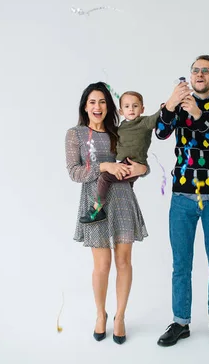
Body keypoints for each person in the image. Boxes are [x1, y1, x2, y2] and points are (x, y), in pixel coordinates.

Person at [155, 55, 209, 346]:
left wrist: (198, 115)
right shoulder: (178, 106)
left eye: (206, 70)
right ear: (190, 77)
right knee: (181, 264)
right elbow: (161, 132)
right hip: (182, 197)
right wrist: (169, 105)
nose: (200, 74)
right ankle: (181, 323)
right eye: (195, 70)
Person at [65, 82, 149, 344]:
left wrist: (142, 170)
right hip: (95, 203)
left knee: (124, 262)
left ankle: (120, 317)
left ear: (109, 106)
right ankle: (101, 314)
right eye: (92, 102)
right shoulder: (75, 134)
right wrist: (105, 165)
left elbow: (139, 161)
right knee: (102, 265)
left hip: (123, 199)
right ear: (85, 106)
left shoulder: (119, 132)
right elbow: (74, 172)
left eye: (102, 102)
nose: (97, 107)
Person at [80, 90, 161, 223]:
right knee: (125, 188)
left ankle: (97, 208)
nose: (131, 109)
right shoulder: (121, 127)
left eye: (135, 106)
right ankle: (120, 211)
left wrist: (162, 108)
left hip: (133, 164)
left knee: (105, 177)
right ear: (121, 111)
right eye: (127, 106)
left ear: (142, 109)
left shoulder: (144, 123)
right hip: (123, 163)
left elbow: (155, 118)